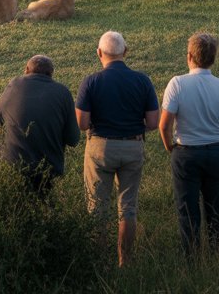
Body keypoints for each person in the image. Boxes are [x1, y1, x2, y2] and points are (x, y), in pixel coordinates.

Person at [75, 31, 159, 266]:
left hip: (100, 147)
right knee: (128, 208)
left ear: (99, 53)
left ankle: (100, 259)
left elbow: (81, 124)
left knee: (97, 206)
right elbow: (153, 123)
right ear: (125, 52)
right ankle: (125, 260)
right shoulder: (143, 80)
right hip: (132, 147)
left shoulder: (91, 81)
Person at [159, 32, 219, 255]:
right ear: (213, 58)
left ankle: (191, 257)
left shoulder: (177, 83)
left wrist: (169, 146)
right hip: (214, 151)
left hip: (186, 152)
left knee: (187, 209)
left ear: (189, 56)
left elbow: (164, 125)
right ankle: (216, 253)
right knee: (214, 209)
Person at [0, 54, 80, 197]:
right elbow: (73, 139)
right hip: (48, 169)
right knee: (44, 205)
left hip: (13, 163)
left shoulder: (13, 85)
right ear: (51, 74)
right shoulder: (62, 92)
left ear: (26, 70)